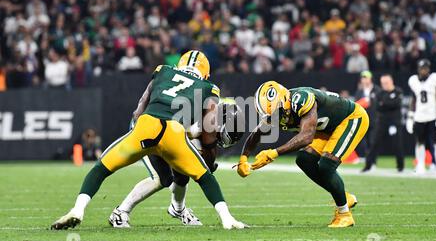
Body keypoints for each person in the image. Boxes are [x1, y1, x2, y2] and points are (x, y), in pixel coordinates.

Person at [51, 50, 247, 230]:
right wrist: (209, 160)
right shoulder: (208, 87)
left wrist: (141, 133)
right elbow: (208, 132)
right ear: (206, 75)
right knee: (194, 176)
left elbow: (140, 106)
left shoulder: (164, 71)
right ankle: (227, 218)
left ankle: (78, 209)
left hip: (146, 124)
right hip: (173, 131)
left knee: (102, 167)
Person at [237, 81, 369, 228]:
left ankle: (344, 215)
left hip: (350, 119)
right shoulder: (276, 108)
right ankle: (343, 197)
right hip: (327, 129)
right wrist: (243, 158)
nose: (275, 117)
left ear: (284, 101)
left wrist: (274, 153)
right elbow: (257, 133)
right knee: (304, 160)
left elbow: (307, 136)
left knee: (326, 165)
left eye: (276, 112)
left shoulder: (301, 99)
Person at [109, 99, 244, 227]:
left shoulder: (207, 116)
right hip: (149, 127)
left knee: (182, 174)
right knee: (162, 178)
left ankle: (178, 209)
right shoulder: (197, 121)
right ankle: (121, 212)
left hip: (167, 129)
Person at [406, 59, 436, 175]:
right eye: (422, 68)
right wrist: (410, 116)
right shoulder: (413, 81)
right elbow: (413, 99)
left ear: (429, 69)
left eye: (426, 68)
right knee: (419, 142)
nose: (424, 71)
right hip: (419, 116)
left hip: (432, 115)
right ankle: (420, 165)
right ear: (418, 69)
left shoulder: (435, 79)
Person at [362, 74, 404, 172]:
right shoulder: (380, 93)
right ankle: (368, 165)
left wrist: (384, 103)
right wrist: (387, 103)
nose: (384, 85)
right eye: (383, 83)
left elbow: (396, 104)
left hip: (395, 122)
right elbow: (377, 106)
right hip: (382, 122)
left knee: (397, 144)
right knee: (374, 144)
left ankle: (400, 166)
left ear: (391, 81)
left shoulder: (398, 91)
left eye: (386, 83)